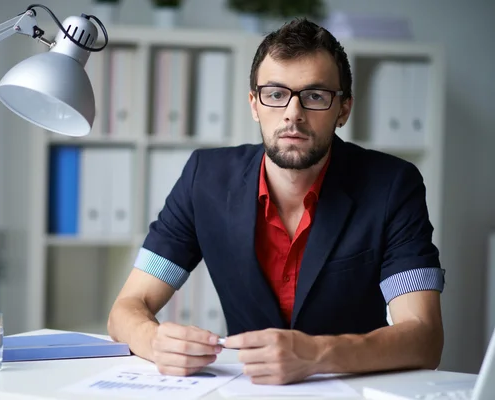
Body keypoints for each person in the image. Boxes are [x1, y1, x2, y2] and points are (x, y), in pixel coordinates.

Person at [107, 17, 445, 385]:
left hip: (352, 388)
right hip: (245, 389)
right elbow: (126, 310)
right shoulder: (204, 179)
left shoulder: (392, 185)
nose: (292, 113)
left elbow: (424, 337)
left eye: (315, 96)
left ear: (343, 109)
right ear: (254, 104)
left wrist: (316, 355)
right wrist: (154, 341)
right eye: (275, 93)